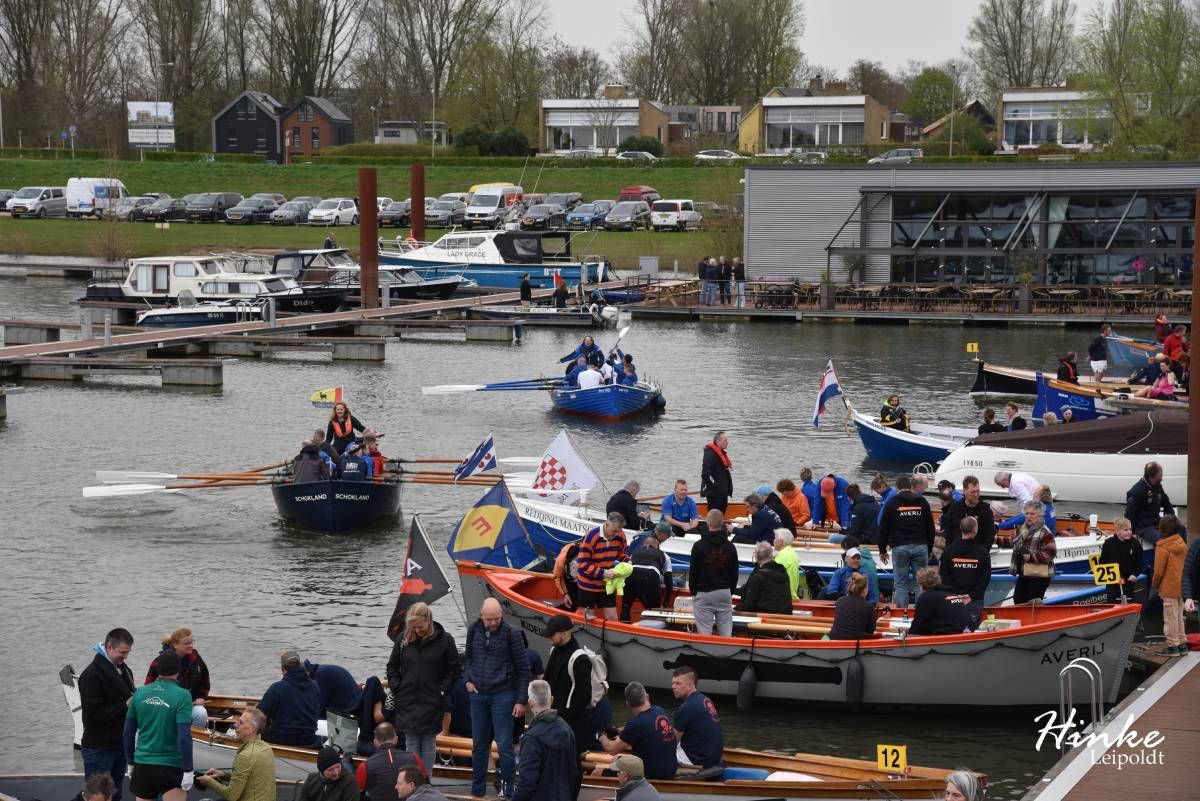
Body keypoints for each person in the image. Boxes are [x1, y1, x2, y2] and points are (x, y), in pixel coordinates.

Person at [463, 598, 530, 799]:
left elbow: (524, 670)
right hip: (478, 694)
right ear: (481, 615)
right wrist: (467, 679)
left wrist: (520, 700)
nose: (493, 623)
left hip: (503, 693)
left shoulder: (512, 634)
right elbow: (467, 659)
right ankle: (477, 790)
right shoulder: (473, 630)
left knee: (504, 745)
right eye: (490, 619)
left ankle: (509, 790)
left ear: (501, 615)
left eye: (497, 618)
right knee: (479, 745)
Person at [386, 602, 461, 775]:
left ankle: (425, 780)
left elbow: (454, 669)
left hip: (432, 699)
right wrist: (397, 687)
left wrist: (442, 690)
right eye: (413, 627)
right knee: (411, 743)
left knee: (428, 743)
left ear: (428, 620)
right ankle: (412, 781)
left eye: (420, 626)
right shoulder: (403, 639)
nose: (417, 630)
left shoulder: (445, 640)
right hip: (408, 699)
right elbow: (392, 667)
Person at [124, 650, 194, 801]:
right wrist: (188, 769)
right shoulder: (183, 696)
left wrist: (130, 763)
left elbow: (127, 734)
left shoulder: (139, 693)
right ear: (178, 669)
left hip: (143, 763)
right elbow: (184, 736)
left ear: (157, 669)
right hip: (171, 765)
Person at [80, 628, 136, 801]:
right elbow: (91, 717)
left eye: (128, 652)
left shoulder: (123, 669)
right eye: (122, 652)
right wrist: (124, 705)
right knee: (98, 797)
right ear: (109, 647)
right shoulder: (91, 675)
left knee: (115, 794)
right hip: (99, 748)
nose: (125, 656)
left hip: (119, 745)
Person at [508, 679, 578, 801]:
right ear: (551, 700)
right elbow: (573, 771)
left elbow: (527, 782)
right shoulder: (567, 730)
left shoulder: (531, 738)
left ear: (530, 703)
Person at [542, 615, 597, 757]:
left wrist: (562, 717)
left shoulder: (580, 659)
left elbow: (584, 697)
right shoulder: (554, 650)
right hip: (553, 719)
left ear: (565, 633)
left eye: (552, 635)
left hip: (571, 727)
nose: (549, 640)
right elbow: (547, 681)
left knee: (571, 768)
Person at [597, 682, 677, 780]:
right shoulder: (660, 711)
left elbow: (611, 749)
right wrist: (617, 731)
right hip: (671, 769)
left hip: (651, 774)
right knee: (617, 758)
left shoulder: (636, 724)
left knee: (597, 771)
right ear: (647, 697)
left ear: (627, 703)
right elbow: (642, 727)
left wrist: (601, 736)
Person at [876, 475, 934, 609]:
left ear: (897, 488)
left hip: (900, 547)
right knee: (921, 583)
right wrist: (929, 548)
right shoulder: (922, 501)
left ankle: (902, 613)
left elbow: (883, 529)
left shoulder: (892, 503)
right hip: (920, 546)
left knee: (901, 584)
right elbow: (930, 527)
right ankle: (921, 612)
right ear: (910, 487)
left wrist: (882, 550)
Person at [198, 707, 276, 801]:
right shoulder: (266, 748)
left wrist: (209, 781)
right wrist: (223, 775)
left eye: (241, 723)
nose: (235, 725)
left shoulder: (245, 756)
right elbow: (248, 778)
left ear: (251, 729)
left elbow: (231, 795)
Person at [688, 509, 739, 636]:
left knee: (704, 633)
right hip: (724, 592)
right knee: (726, 632)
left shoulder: (699, 546)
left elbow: (693, 572)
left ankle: (706, 652)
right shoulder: (730, 547)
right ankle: (725, 652)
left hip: (704, 592)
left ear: (708, 523)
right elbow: (735, 573)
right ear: (722, 523)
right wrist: (730, 591)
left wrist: (694, 592)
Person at [145, 628, 210, 727]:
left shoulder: (196, 658)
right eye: (187, 643)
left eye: (192, 642)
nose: (191, 645)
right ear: (175, 645)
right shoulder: (160, 662)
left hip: (190, 704)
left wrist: (201, 696)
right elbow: (149, 687)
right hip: (167, 707)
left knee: (201, 713)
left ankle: (192, 736)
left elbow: (204, 680)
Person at [258, 649, 322, 748]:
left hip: (281, 740)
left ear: (282, 668)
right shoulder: (315, 686)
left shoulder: (276, 688)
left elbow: (259, 715)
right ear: (300, 665)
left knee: (262, 730)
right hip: (309, 739)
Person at [576, 512, 629, 621]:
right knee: (589, 618)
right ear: (606, 524)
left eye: (619, 531)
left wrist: (628, 562)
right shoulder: (591, 537)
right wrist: (603, 573)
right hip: (588, 584)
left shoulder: (620, 535)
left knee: (613, 618)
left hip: (608, 584)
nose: (616, 534)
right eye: (614, 531)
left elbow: (621, 555)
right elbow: (582, 564)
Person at [938, 518, 991, 628]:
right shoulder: (982, 552)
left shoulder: (948, 551)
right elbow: (985, 578)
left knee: (951, 629)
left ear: (960, 529)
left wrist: (955, 594)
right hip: (974, 600)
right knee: (972, 632)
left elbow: (944, 575)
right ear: (975, 530)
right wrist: (972, 596)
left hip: (952, 598)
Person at [670, 666, 723, 771]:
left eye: (678, 683)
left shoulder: (686, 708)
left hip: (698, 761)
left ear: (690, 685)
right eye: (673, 683)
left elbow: (671, 742)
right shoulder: (705, 699)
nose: (673, 687)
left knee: (659, 752)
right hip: (714, 758)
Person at [356, 723, 423, 801]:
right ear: (396, 739)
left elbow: (356, 794)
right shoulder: (414, 758)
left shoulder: (365, 766)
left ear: (375, 742)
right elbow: (425, 784)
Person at [1153, 515, 1189, 656]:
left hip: (1168, 587)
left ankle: (1173, 646)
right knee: (1179, 617)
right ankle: (1182, 644)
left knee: (1170, 618)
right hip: (1182, 587)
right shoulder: (1182, 543)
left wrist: (1155, 585)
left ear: (1162, 528)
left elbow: (1158, 572)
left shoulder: (1162, 546)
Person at [1009, 501, 1056, 604]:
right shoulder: (1023, 529)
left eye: (1032, 514)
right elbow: (1012, 541)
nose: (1028, 516)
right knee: (1018, 600)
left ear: (1040, 515)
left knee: (1033, 604)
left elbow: (1051, 553)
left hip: (1039, 576)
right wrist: (995, 540)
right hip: (1024, 573)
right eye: (1027, 513)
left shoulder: (1045, 532)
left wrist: (1031, 557)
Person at [624, 523, 673, 621]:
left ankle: (623, 628)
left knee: (625, 608)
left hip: (631, 577)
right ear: (656, 546)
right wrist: (666, 602)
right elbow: (669, 583)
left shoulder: (635, 553)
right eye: (667, 536)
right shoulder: (664, 556)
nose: (667, 538)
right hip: (650, 579)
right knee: (652, 612)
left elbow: (626, 565)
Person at [908, 567, 972, 635]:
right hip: (969, 632)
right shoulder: (952, 593)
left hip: (951, 636)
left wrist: (908, 634)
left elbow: (918, 625)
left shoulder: (926, 597)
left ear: (921, 585)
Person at [1125, 461, 1176, 543]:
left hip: (1156, 522)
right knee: (1162, 540)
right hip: (1143, 527)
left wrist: (1173, 519)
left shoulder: (1157, 485)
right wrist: (1131, 532)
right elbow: (1129, 513)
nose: (1162, 474)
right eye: (1161, 472)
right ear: (1154, 475)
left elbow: (1165, 502)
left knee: (1181, 529)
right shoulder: (1138, 491)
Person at [939, 476, 996, 551]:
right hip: (957, 551)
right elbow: (949, 531)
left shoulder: (985, 510)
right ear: (964, 491)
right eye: (973, 492)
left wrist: (982, 553)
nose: (976, 495)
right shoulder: (955, 507)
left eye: (978, 491)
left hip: (977, 553)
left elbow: (990, 536)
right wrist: (949, 550)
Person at [735, 542, 792, 614]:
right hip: (784, 615)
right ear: (771, 556)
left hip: (764, 617)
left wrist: (735, 608)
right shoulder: (783, 573)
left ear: (756, 556)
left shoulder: (758, 577)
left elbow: (749, 606)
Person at [1098, 518, 1144, 603]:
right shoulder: (1108, 543)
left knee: (1128, 603)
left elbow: (1140, 562)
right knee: (1112, 604)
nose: (1129, 532)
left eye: (1130, 529)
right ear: (1117, 531)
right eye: (1125, 530)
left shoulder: (1135, 543)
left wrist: (1135, 574)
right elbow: (1102, 562)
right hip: (1113, 583)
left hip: (1128, 581)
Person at [828, 574, 877, 640]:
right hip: (854, 645)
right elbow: (870, 631)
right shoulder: (869, 606)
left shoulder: (839, 601)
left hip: (834, 641)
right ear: (864, 590)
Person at [700, 431, 733, 513]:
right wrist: (715, 488)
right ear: (718, 441)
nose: (727, 442)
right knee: (715, 518)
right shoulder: (710, 454)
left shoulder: (720, 453)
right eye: (725, 440)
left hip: (722, 493)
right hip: (715, 495)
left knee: (721, 517)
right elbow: (705, 475)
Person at [772, 529, 805, 600]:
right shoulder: (791, 552)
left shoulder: (783, 556)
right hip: (791, 595)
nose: (773, 540)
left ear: (781, 541)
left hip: (785, 597)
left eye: (775, 538)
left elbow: (771, 576)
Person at [552, 541, 581, 609]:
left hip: (585, 577)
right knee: (572, 602)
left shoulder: (588, 555)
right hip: (570, 582)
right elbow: (558, 577)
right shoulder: (560, 561)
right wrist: (565, 594)